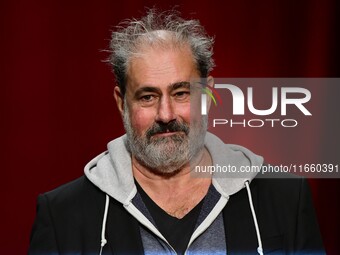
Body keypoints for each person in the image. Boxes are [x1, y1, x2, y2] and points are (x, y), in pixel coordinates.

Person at [29, 9, 325, 255]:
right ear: (122, 103)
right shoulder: (62, 216)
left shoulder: (286, 198)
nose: (166, 115)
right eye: (147, 97)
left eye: (181, 93)